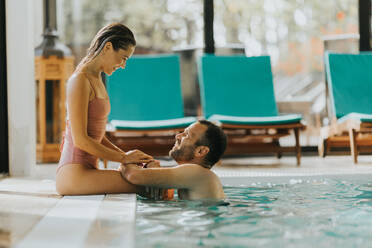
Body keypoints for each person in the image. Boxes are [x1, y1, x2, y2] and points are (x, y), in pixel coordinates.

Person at [56, 23, 154, 195]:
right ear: (108, 47)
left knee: (153, 176)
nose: (123, 65)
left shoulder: (96, 78)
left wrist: (129, 158)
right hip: (73, 175)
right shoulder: (80, 80)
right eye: (123, 57)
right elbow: (81, 140)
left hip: (88, 170)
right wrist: (124, 158)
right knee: (152, 184)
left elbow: (97, 136)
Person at [120, 120, 228, 200]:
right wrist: (149, 166)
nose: (178, 136)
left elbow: (133, 175)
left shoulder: (196, 172)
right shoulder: (201, 176)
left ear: (200, 151)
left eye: (186, 135)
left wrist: (125, 158)